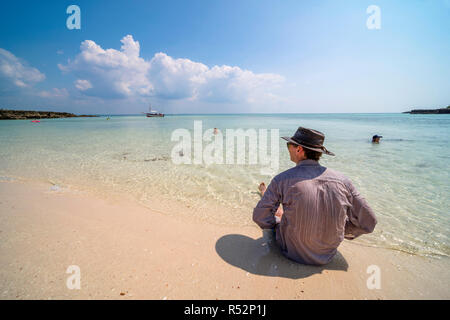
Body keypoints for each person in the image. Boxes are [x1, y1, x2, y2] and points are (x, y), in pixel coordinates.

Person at [253, 127, 377, 265]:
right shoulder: (343, 181)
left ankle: (263, 191)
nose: (287, 148)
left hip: (291, 252)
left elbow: (260, 217)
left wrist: (276, 226)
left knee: (280, 214)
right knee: (291, 212)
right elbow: (370, 221)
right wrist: (341, 229)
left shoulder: (282, 179)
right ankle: (265, 193)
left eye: (289, 145)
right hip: (327, 255)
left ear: (299, 149)